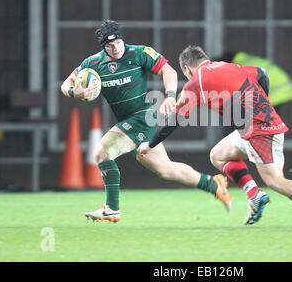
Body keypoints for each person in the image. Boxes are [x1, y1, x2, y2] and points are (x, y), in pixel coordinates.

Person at [138, 45, 292, 230]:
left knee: (275, 180)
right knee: (218, 155)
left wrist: (151, 143)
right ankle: (254, 194)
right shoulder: (231, 66)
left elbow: (174, 120)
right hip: (253, 127)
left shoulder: (196, 82)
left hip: (260, 131)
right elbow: (262, 74)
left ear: (186, 69)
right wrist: (263, 103)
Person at [60, 20, 232, 222]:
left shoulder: (140, 53)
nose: (115, 48)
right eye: (110, 46)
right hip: (128, 121)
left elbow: (169, 71)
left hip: (143, 118)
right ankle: (214, 184)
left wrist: (169, 96)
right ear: (103, 47)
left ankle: (112, 209)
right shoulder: (92, 64)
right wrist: (74, 91)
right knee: (167, 170)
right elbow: (66, 84)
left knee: (101, 153)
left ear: (123, 40)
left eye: (118, 43)